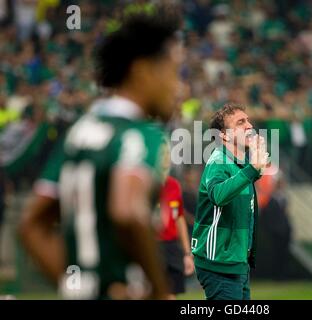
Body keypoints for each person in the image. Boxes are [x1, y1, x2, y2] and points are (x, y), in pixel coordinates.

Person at [19, 7, 183, 300]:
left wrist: (76, 288)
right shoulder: (141, 134)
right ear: (143, 71)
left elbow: (31, 225)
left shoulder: (80, 133)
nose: (178, 86)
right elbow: (127, 212)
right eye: (173, 71)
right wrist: (159, 291)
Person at [191, 103, 269, 300]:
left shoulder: (239, 164)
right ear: (224, 135)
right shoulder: (218, 161)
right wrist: (252, 169)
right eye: (240, 122)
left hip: (237, 262)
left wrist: (254, 169)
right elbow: (218, 195)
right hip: (219, 264)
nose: (249, 126)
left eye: (248, 120)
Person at [155, 147, 195, 299]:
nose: (165, 159)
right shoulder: (144, 182)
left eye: (167, 155)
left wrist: (186, 253)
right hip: (151, 246)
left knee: (171, 295)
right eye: (161, 154)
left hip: (171, 247)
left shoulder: (174, 185)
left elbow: (179, 218)